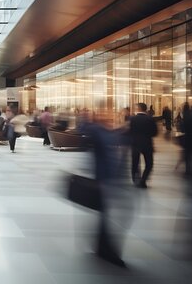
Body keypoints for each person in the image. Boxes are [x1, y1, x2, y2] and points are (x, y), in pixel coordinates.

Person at [82, 109, 128, 267]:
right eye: (105, 114)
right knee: (106, 215)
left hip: (110, 180)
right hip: (103, 180)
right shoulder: (96, 131)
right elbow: (93, 153)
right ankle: (105, 248)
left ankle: (103, 247)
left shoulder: (108, 132)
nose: (109, 117)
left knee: (106, 215)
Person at [129, 102, 158, 188]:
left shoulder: (132, 119)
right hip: (147, 144)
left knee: (135, 162)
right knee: (149, 163)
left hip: (135, 144)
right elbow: (155, 133)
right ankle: (143, 180)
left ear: (138, 109)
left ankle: (135, 179)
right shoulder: (150, 119)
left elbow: (130, 131)